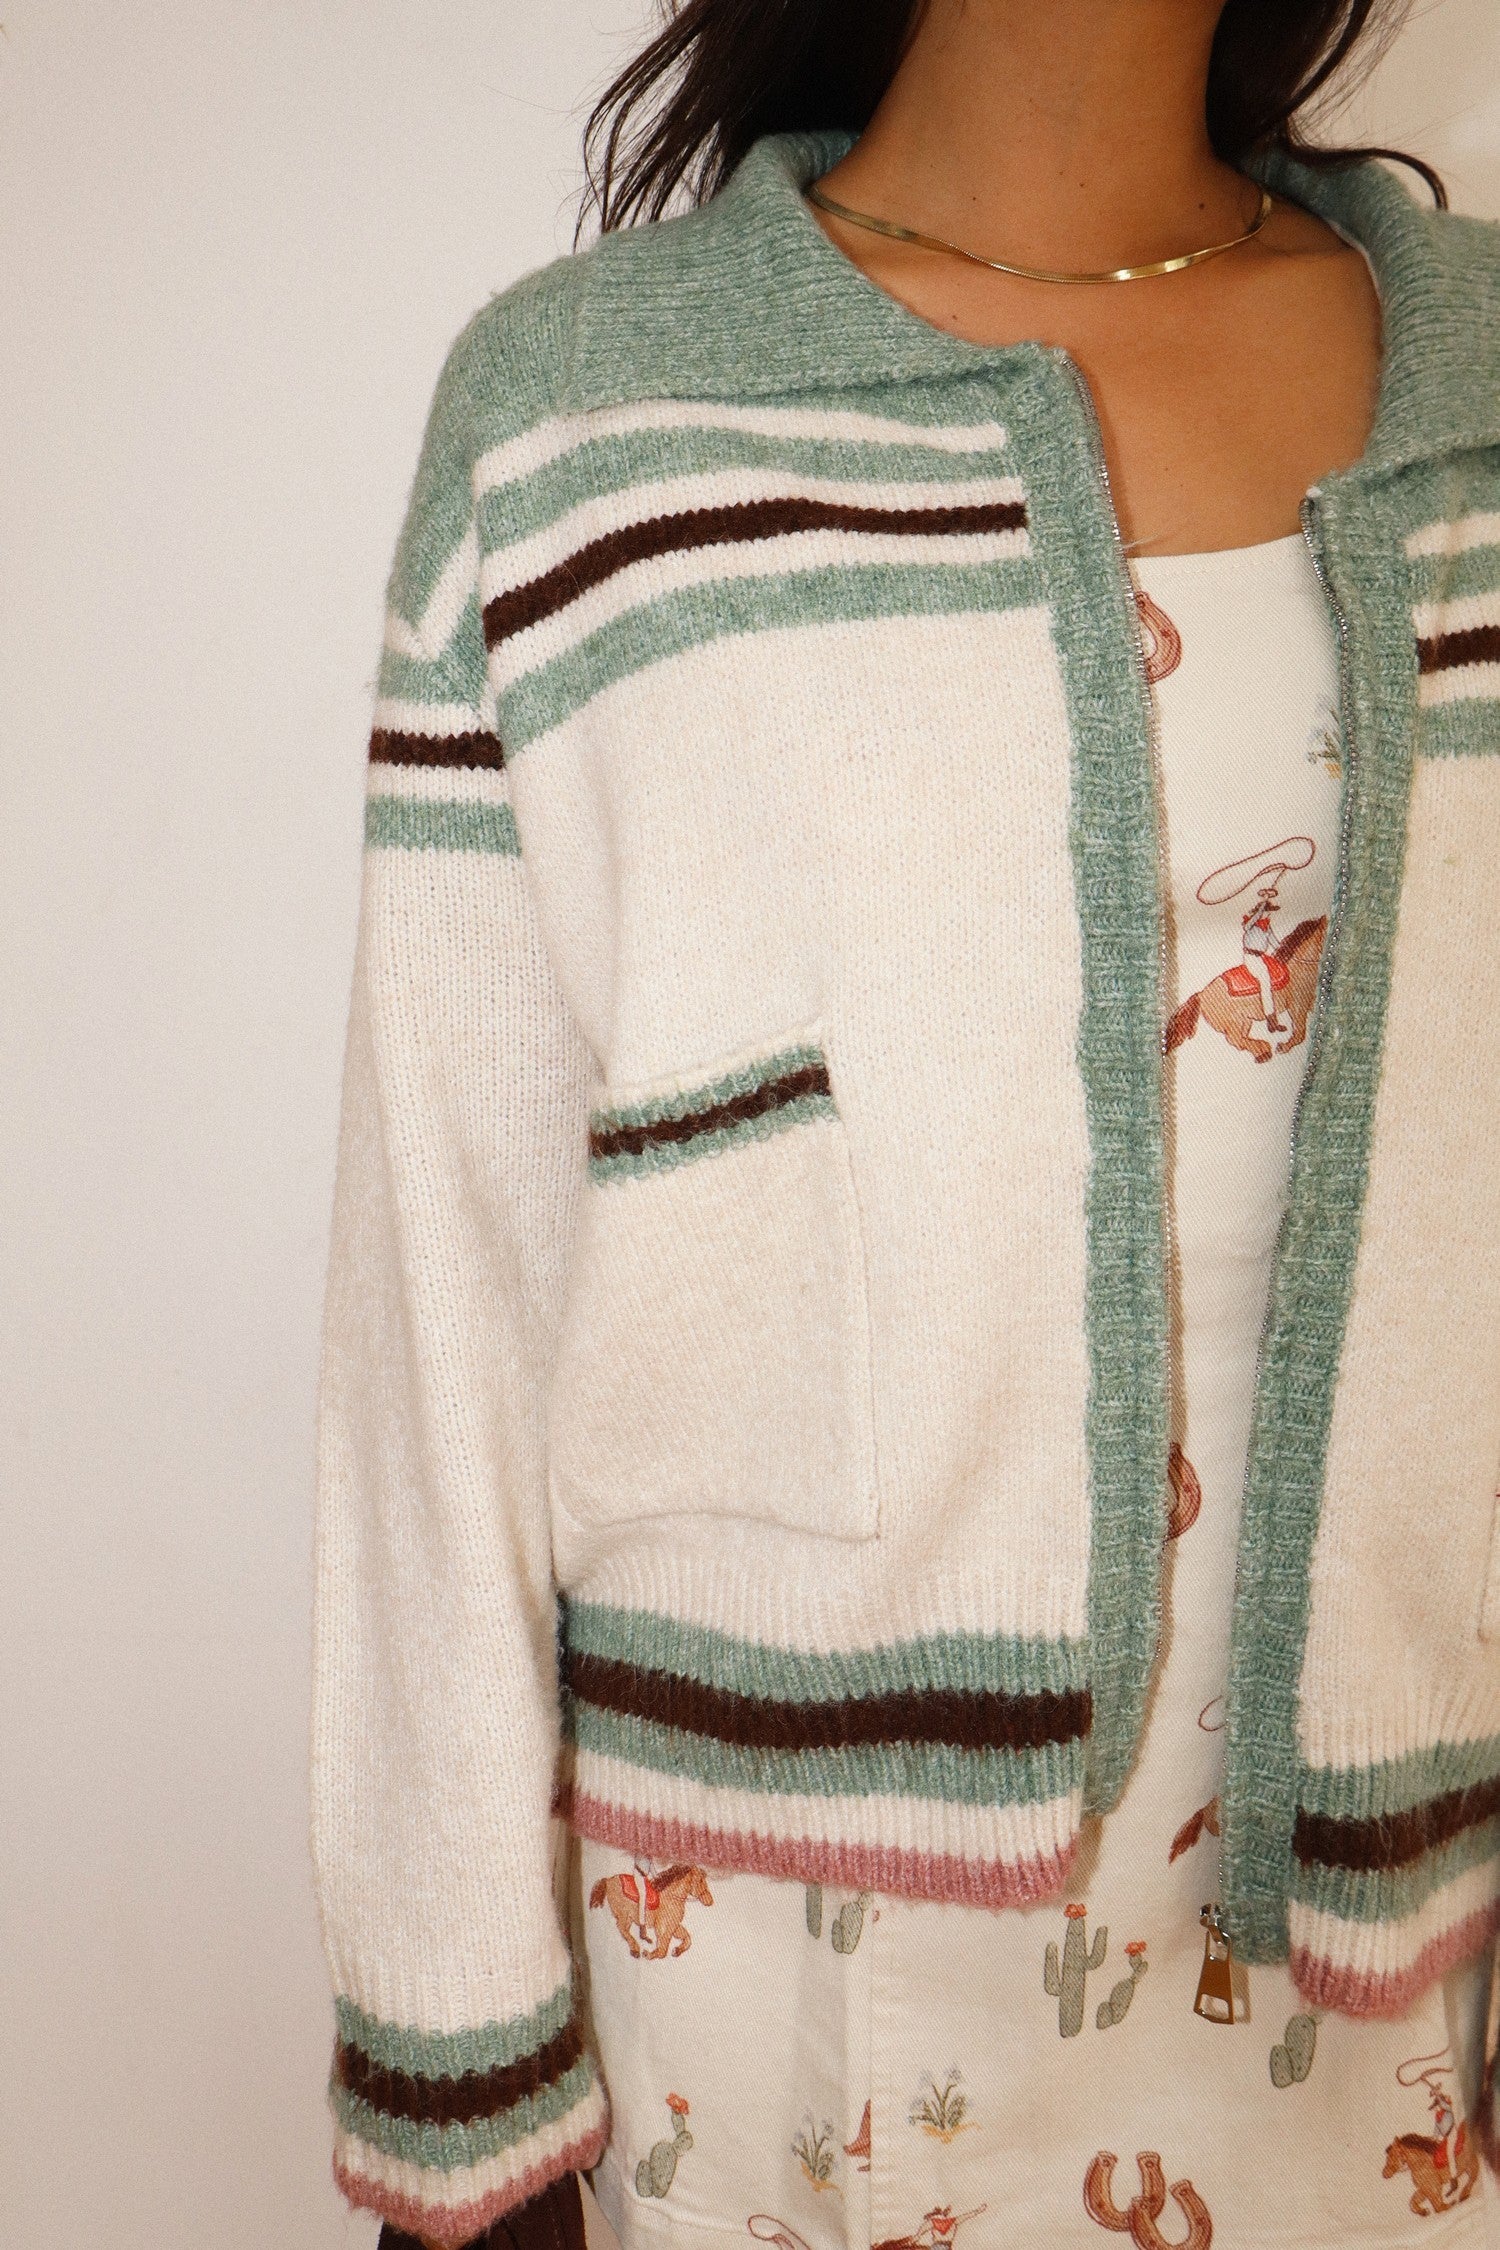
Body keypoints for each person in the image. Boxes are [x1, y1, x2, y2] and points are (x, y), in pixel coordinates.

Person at [308, 4, 1500, 2247]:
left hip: (1388, 1939)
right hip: (777, 1970)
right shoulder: (585, 424)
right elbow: (446, 1289)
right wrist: (454, 2035)